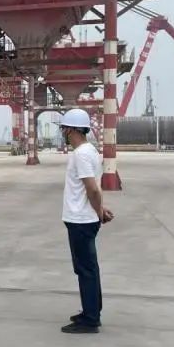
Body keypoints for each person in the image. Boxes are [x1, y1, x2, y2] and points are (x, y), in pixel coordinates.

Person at [58, 109, 113, 334]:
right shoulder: (90, 151)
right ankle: (91, 311)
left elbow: (92, 189)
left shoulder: (80, 154)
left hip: (80, 220)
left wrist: (98, 211)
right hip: (84, 218)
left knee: (85, 270)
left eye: (63, 128)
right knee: (88, 268)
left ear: (71, 130)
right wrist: (100, 209)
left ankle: (90, 319)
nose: (62, 132)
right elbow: (92, 189)